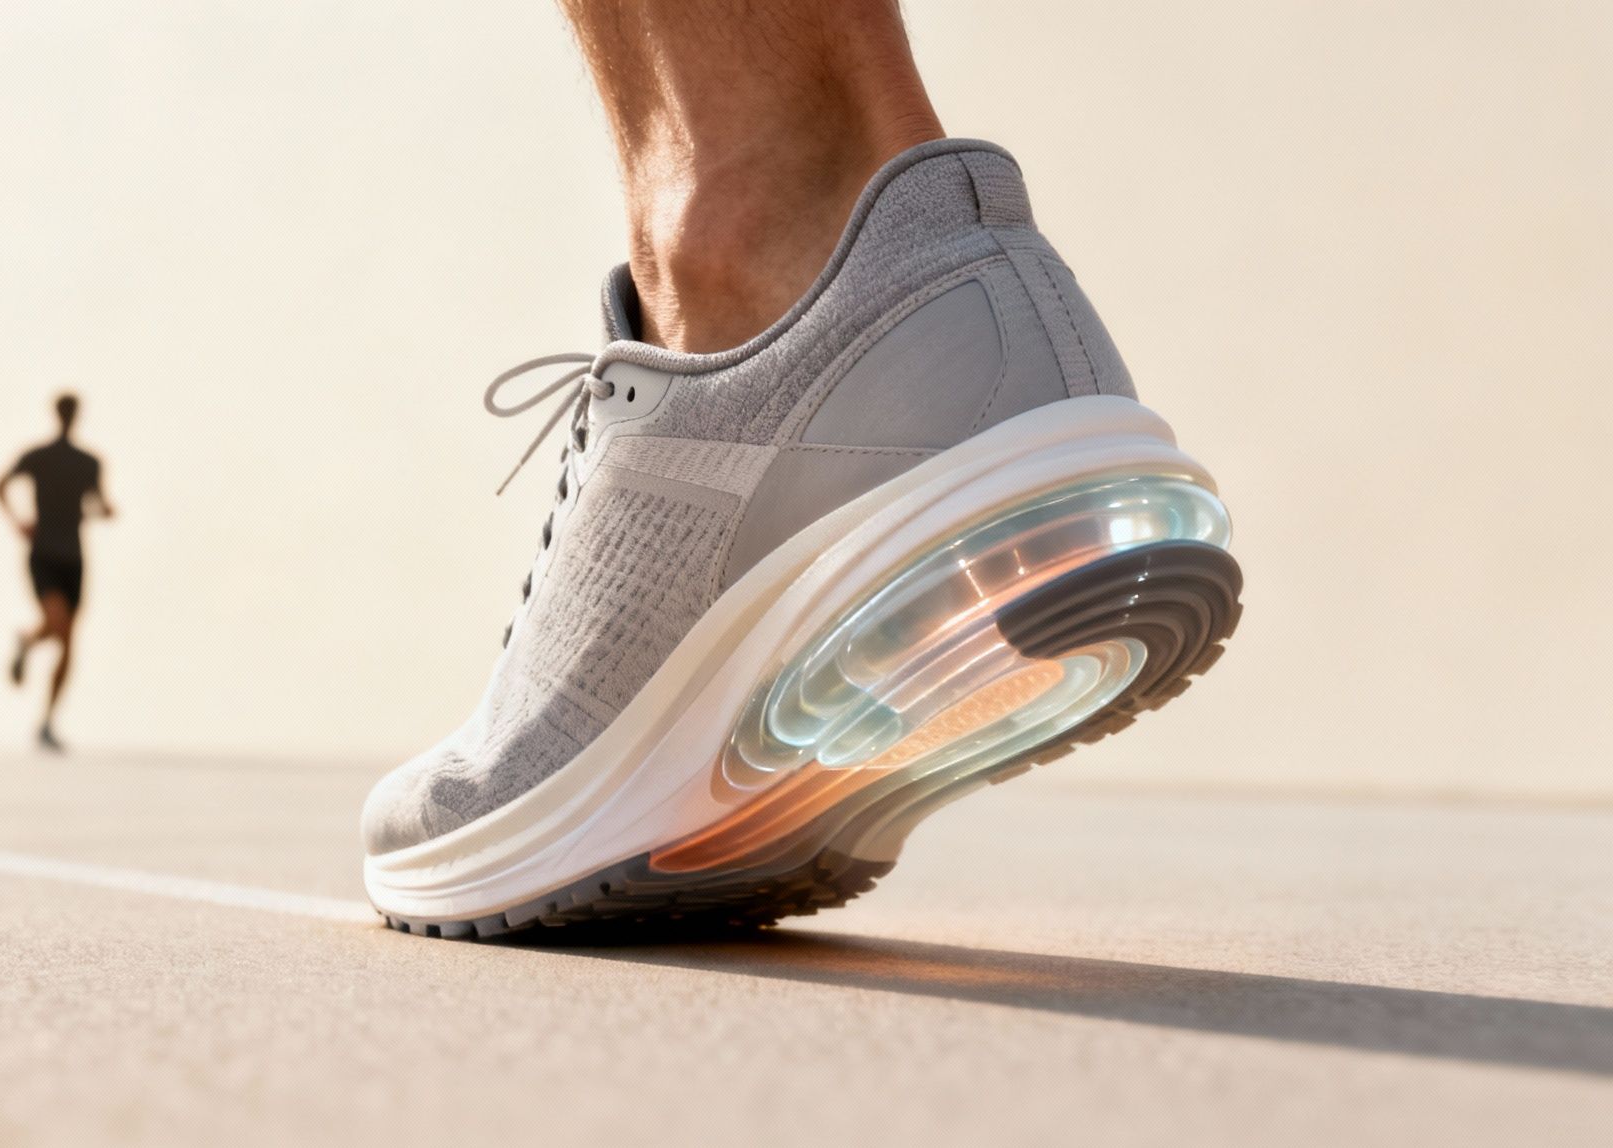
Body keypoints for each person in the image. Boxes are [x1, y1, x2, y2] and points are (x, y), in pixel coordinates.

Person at [360, 0, 1243, 937]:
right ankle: (923, 292)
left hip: (801, 324)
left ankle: (736, 278)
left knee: (734, 207)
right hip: (979, 307)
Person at [0, 393, 114, 752]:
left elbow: (98, 502)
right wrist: (17, 521)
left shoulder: (89, 462)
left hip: (73, 557)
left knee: (64, 636)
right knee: (60, 625)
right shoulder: (40, 456)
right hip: (45, 552)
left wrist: (104, 510)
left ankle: (46, 717)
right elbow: (0, 485)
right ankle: (44, 711)